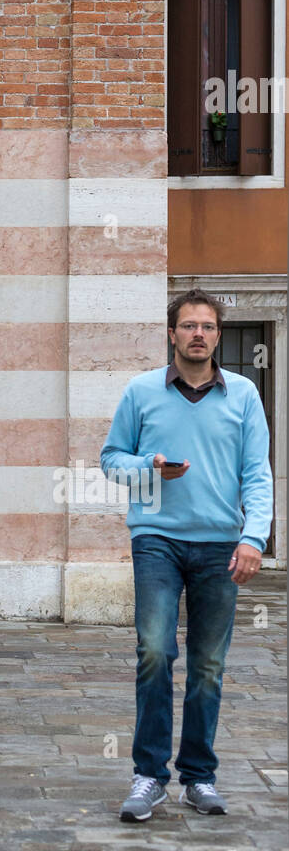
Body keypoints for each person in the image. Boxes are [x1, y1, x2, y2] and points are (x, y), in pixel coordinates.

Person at [101, 289, 273, 822]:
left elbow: (257, 475)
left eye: (207, 326)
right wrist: (148, 467)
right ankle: (149, 776)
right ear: (172, 333)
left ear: (218, 335)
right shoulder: (140, 391)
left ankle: (198, 778)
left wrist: (255, 538)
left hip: (222, 544)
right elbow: (110, 461)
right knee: (155, 651)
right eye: (188, 325)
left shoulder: (243, 395)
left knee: (208, 665)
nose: (197, 334)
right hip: (156, 537)